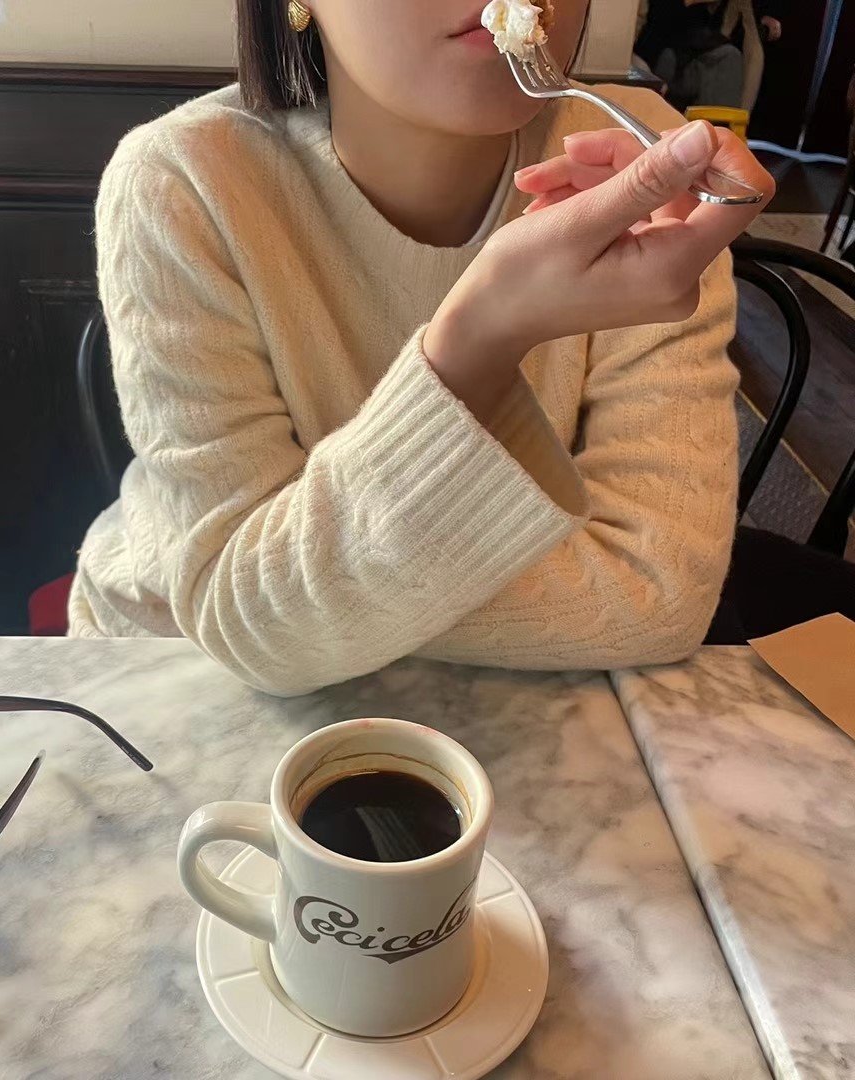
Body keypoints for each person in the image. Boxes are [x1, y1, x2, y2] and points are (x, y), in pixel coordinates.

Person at [69, 0, 777, 695]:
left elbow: (658, 592)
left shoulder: (641, 157)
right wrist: (484, 332)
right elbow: (249, 621)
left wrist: (311, 598)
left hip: (514, 703)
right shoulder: (184, 180)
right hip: (176, 682)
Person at [636, 0, 784, 111]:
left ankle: (719, 132)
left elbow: (748, 46)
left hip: (697, 62)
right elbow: (651, 35)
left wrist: (760, 17)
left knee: (729, 58)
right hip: (659, 59)